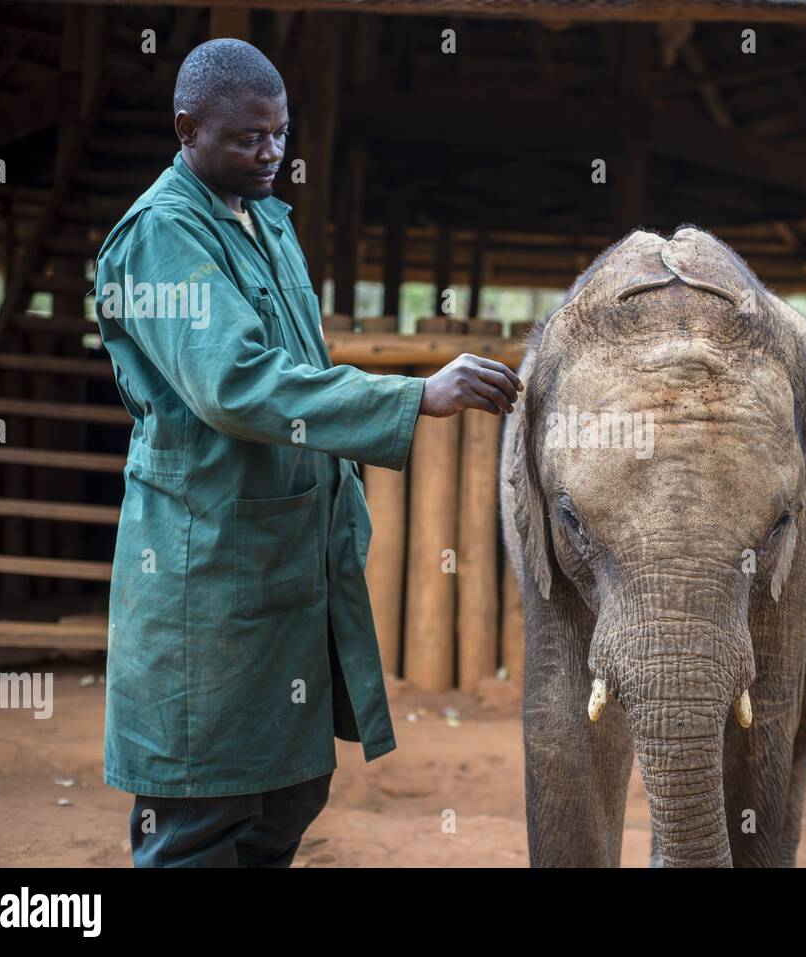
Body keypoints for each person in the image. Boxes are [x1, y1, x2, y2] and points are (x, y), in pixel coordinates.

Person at [93, 38, 522, 867]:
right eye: (249, 137)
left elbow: (301, 369)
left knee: (286, 790)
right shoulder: (160, 237)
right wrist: (411, 396)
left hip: (284, 566)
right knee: (203, 809)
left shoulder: (267, 220)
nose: (269, 154)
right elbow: (238, 384)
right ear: (186, 128)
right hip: (206, 569)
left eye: (280, 135)